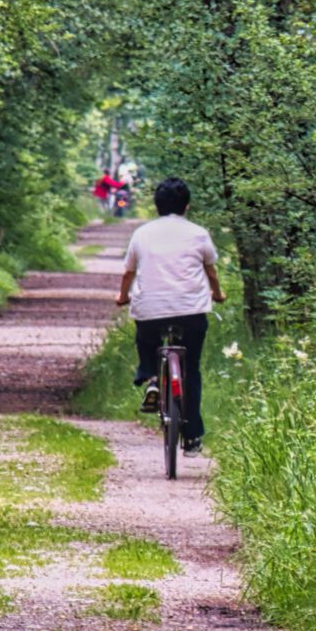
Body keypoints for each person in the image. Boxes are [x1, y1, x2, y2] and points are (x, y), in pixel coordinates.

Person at [114, 176, 222, 451]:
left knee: (147, 339)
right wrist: (218, 294)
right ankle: (193, 436)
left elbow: (129, 272)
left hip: (151, 311)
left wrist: (122, 296)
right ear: (187, 205)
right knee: (192, 368)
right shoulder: (198, 233)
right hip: (191, 311)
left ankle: (151, 377)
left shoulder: (142, 233)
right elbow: (210, 270)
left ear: (157, 205)